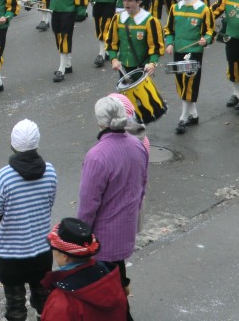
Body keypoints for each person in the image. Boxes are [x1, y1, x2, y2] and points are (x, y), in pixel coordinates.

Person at [77, 96, 148, 321]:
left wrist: (80, 239)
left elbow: (88, 206)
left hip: (102, 240)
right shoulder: (138, 146)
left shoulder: (97, 156)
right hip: (125, 231)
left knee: (106, 299)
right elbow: (142, 187)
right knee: (118, 278)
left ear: (100, 122)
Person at [0, 120, 57, 321]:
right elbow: (48, 205)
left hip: (10, 257)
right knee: (44, 302)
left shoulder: (5, 176)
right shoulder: (50, 171)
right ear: (37, 143)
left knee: (15, 306)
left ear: (13, 144)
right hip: (42, 253)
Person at [40, 218, 128, 321]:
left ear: (65, 256)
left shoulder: (61, 302)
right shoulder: (111, 276)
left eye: (53, 249)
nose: (53, 253)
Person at [164, 0, 214, 134]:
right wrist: (170, 43)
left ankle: (183, 118)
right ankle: (194, 114)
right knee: (181, 83)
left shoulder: (203, 9)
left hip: (194, 52)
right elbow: (169, 29)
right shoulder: (175, 8)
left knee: (190, 83)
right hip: (178, 50)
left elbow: (210, 31)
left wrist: (205, 40)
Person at [106, 0, 164, 77]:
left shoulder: (150, 21)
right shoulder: (117, 18)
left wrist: (152, 63)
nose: (126, 3)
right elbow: (111, 42)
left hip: (142, 68)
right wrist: (114, 59)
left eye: (130, 0)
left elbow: (156, 46)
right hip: (123, 67)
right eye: (124, 0)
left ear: (139, 2)